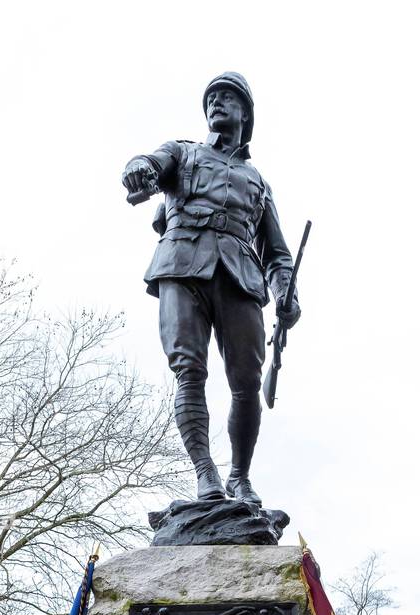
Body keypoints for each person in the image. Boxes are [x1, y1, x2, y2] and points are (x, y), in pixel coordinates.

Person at [122, 72, 301, 505]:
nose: (216, 104)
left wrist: (286, 294)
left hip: (239, 274)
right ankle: (206, 475)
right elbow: (148, 163)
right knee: (189, 370)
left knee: (245, 380)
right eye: (212, 98)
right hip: (182, 264)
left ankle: (240, 477)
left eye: (227, 97)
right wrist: (139, 169)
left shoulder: (258, 182)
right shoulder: (181, 153)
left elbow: (277, 252)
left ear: (245, 114)